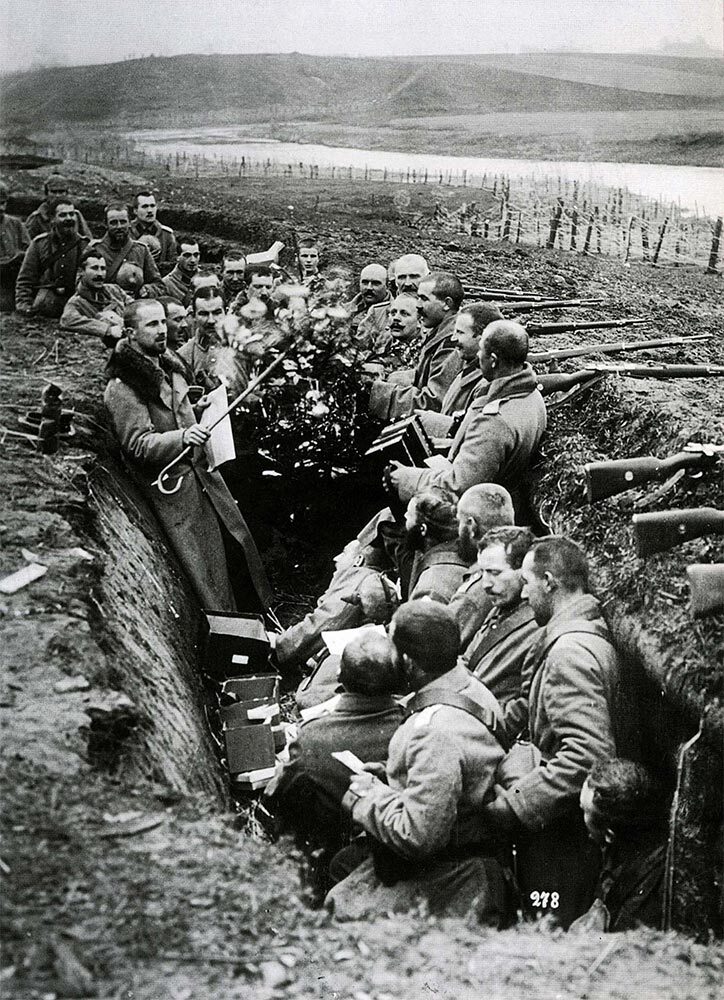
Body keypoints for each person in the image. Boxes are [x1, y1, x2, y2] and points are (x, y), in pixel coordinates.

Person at [481, 536, 639, 928]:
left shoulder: (569, 653)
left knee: (549, 927)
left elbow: (588, 756)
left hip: (566, 835)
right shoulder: (583, 634)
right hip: (569, 824)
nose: (526, 593)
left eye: (528, 582)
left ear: (549, 581)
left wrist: (513, 806)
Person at [326, 601, 515, 924]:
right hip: (466, 844)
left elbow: (418, 837)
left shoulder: (433, 732)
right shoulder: (472, 689)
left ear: (409, 662)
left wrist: (369, 795)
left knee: (338, 909)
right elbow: (463, 771)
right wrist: (390, 778)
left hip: (452, 872)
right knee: (344, 865)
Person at [104, 299, 272, 613]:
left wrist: (196, 410)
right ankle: (231, 636)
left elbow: (172, 414)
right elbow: (138, 444)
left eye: (163, 323)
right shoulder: (125, 385)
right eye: (151, 325)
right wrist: (183, 436)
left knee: (236, 548)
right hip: (176, 489)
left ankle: (263, 620)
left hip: (203, 474)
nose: (161, 330)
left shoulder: (166, 364)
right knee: (208, 571)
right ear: (129, 332)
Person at [265, 632, 403, 897]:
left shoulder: (313, 736)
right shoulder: (409, 728)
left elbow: (279, 793)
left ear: (339, 678)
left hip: (332, 842)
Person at [386, 320, 546, 519]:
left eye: (481, 351)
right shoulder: (530, 395)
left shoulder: (494, 421)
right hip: (498, 502)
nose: (478, 356)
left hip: (476, 515)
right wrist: (452, 444)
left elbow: (458, 486)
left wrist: (408, 478)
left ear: (494, 360)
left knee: (384, 520)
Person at [462, 526, 541, 737]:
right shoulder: (500, 607)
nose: (486, 584)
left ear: (524, 572)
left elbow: (527, 710)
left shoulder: (538, 625)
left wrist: (465, 713)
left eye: (495, 573)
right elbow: (468, 659)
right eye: (482, 573)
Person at [572, 759, 665, 933]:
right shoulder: (631, 848)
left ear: (609, 835)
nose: (580, 813)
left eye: (584, 810)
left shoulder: (644, 896)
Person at [369, 271, 463, 421]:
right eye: (418, 297)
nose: (418, 305)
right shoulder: (441, 333)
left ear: (447, 304)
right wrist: (398, 377)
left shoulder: (452, 342)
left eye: (424, 299)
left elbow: (432, 403)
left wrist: (376, 392)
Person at [414, 302, 504, 442]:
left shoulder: (488, 383)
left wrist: (435, 422)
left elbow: (477, 438)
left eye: (460, 333)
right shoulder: (468, 366)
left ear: (483, 338)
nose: (453, 338)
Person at [447, 484, 516, 650]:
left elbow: (435, 646)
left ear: (472, 527)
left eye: (459, 522)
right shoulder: (526, 562)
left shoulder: (475, 592)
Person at [15, 197, 89, 317]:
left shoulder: (85, 245)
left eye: (72, 214)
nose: (69, 218)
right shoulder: (39, 244)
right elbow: (25, 279)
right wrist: (24, 305)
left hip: (74, 304)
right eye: (63, 215)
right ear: (52, 219)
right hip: (45, 304)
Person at [90, 203, 164, 297]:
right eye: (113, 223)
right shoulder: (95, 249)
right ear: (106, 224)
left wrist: (147, 290)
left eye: (123, 222)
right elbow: (81, 284)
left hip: (136, 306)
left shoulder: (141, 250)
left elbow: (159, 285)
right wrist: (111, 291)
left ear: (129, 223)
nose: (119, 227)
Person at [60, 247, 131, 342]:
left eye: (103, 269)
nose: (100, 274)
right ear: (82, 271)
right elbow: (67, 320)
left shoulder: (114, 290)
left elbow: (134, 306)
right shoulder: (77, 301)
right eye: (94, 268)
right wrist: (107, 330)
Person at [357, 253, 429, 348]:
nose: (407, 283)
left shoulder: (437, 314)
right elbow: (357, 353)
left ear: (428, 277)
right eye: (401, 277)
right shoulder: (378, 313)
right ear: (395, 281)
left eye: (414, 276)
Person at [177, 287, 227, 389]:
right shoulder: (183, 356)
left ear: (226, 312)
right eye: (203, 314)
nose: (211, 320)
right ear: (194, 316)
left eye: (217, 313)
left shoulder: (245, 350)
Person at [25, 174, 92, 240]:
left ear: (66, 193)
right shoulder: (37, 218)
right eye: (53, 192)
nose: (57, 196)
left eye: (61, 191)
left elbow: (88, 241)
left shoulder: (76, 215)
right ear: (46, 193)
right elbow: (28, 244)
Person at [129, 190, 177, 275]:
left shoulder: (167, 235)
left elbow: (172, 265)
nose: (150, 210)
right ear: (135, 211)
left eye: (152, 206)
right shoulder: (127, 233)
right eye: (145, 207)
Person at [0, 181, 30, 310]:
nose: (1, 208)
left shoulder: (16, 224)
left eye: (3, 203)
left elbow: (30, 252)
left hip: (14, 280)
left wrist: (20, 256)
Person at [346, 263, 389, 336]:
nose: (369, 287)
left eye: (376, 283)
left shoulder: (394, 312)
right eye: (365, 282)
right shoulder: (345, 310)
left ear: (387, 285)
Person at [162, 238, 201, 305]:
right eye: (187, 255)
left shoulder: (206, 279)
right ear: (178, 257)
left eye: (196, 255)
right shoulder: (167, 284)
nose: (193, 260)